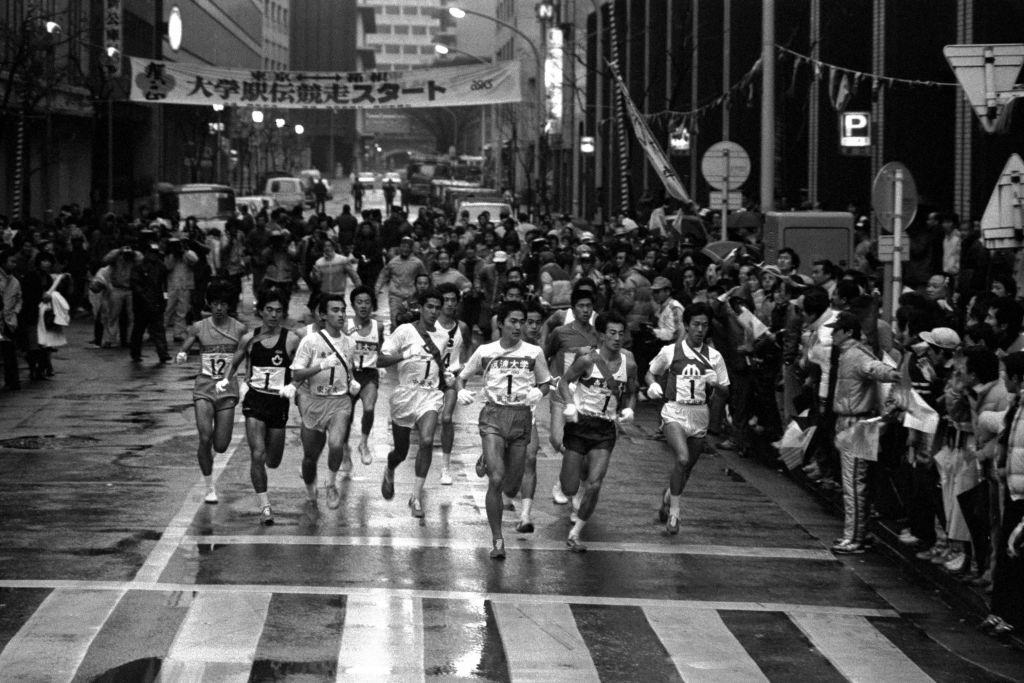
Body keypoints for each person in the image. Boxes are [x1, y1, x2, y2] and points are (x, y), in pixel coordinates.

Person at [456, 300, 552, 559]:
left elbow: (546, 383)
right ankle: (497, 540)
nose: (518, 326)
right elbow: (461, 376)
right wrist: (461, 390)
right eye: (513, 321)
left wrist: (537, 392)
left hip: (521, 417)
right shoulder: (485, 351)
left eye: (522, 321)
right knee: (496, 479)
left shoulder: (534, 352)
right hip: (493, 416)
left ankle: (489, 458)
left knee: (511, 484)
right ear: (501, 324)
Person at [646, 302, 730, 533]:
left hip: (699, 413)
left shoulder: (715, 357)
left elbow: (726, 391)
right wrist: (652, 386)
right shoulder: (670, 351)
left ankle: (667, 496)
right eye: (695, 324)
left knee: (687, 468)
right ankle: (675, 515)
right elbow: (650, 372)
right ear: (686, 325)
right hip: (674, 411)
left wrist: (716, 384)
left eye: (704, 325)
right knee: (682, 459)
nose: (700, 329)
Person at [559, 312, 638, 552]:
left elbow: (632, 391)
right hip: (579, 425)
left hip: (604, 429)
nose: (617, 338)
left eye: (621, 333)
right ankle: (576, 485)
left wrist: (630, 410)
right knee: (569, 487)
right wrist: (570, 404)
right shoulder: (586, 360)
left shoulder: (630, 364)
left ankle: (575, 534)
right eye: (612, 333)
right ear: (602, 336)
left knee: (595, 484)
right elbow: (564, 382)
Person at [826, 311, 902, 554]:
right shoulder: (850, 353)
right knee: (858, 482)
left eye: (836, 329)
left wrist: (895, 374)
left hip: (857, 424)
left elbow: (875, 369)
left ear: (848, 332)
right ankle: (860, 533)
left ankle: (854, 537)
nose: (832, 333)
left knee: (854, 484)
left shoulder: (856, 355)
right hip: (855, 422)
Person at [222, 287, 299, 525]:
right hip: (255, 401)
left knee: (273, 460)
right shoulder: (249, 339)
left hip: (278, 404)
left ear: (283, 314)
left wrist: (295, 385)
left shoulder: (292, 339)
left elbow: (303, 366)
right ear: (261, 312)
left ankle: (265, 471)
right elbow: (233, 364)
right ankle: (265, 505)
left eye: (278, 311)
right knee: (257, 453)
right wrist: (226, 381)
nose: (274, 315)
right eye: (269, 310)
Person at [376, 288, 450, 517]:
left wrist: (450, 377)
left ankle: (416, 497)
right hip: (405, 395)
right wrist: (404, 355)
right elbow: (380, 359)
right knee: (401, 450)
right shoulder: (405, 331)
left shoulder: (443, 336)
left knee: (427, 440)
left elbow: (444, 366)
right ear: (420, 307)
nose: (434, 311)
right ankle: (390, 469)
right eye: (430, 306)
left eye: (438, 307)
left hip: (430, 395)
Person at [173, 280, 248, 503]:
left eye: (223, 304)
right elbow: (189, 340)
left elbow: (247, 353)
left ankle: (213, 461)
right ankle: (209, 487)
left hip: (227, 390)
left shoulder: (239, 328)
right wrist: (183, 353)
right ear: (209, 304)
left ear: (229, 306)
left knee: (221, 445)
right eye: (215, 303)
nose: (219, 308)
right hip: (204, 388)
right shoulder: (199, 326)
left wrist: (247, 380)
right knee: (205, 437)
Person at [289, 292, 361, 510]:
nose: (341, 315)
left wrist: (353, 383)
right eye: (335, 310)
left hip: (339, 402)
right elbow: (296, 375)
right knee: (310, 458)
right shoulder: (310, 341)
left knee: (336, 443)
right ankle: (311, 491)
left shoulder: (349, 342)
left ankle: (331, 484)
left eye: (343, 310)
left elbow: (348, 371)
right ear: (322, 315)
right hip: (313, 402)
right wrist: (321, 365)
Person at [543, 287, 601, 503]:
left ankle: (569, 483)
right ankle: (569, 475)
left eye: (589, 306)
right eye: (581, 306)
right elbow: (546, 354)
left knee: (582, 444)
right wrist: (548, 380)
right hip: (561, 391)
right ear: (573, 308)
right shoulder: (560, 332)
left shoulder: (598, 335)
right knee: (557, 439)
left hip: (586, 396)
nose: (585, 310)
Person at [435, 283, 471, 485]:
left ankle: (445, 468)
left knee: (447, 418)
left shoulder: (462, 327)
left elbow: (468, 348)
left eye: (453, 300)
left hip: (451, 379)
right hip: (430, 378)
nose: (449, 304)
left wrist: (462, 368)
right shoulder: (430, 326)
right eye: (445, 300)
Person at [345, 285, 384, 466]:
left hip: (369, 374)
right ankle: (345, 447)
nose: (363, 306)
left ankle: (363, 443)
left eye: (367, 302)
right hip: (349, 375)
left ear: (372, 305)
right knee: (347, 414)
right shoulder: (346, 325)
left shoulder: (379, 326)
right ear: (353, 305)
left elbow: (381, 350)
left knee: (369, 408)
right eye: (359, 302)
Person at [376, 235, 426, 332]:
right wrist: (377, 290)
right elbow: (383, 276)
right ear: (399, 247)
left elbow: (425, 277)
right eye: (403, 246)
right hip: (396, 296)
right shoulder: (393, 262)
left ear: (411, 248)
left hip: (411, 297)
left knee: (411, 323)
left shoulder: (417, 263)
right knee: (395, 321)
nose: (405, 249)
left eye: (408, 247)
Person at [0, 249, 22, 390]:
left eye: (15, 262)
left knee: (9, 352)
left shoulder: (15, 281)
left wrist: (15, 313)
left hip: (8, 320)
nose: (14, 265)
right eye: (11, 261)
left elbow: (19, 299)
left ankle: (12, 381)